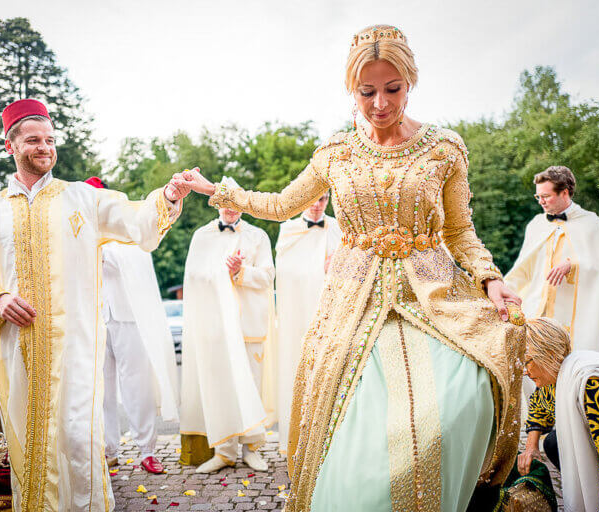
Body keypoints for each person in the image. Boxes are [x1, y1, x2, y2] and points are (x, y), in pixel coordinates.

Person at [171, 24, 526, 512]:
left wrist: (492, 280)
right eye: (367, 91)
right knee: (358, 417)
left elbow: (460, 231)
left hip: (432, 295)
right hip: (353, 302)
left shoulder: (445, 149)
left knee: (462, 393)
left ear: (411, 83)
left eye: (392, 89)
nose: (380, 103)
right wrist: (223, 192)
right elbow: (279, 203)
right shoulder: (336, 152)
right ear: (350, 90)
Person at [0, 99, 187, 511]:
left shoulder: (83, 199)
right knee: (26, 444)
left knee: (80, 441)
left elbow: (137, 221)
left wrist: (168, 195)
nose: (44, 147)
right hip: (17, 353)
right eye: (33, 140)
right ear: (11, 146)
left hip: (75, 354)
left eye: (49, 140)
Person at [84, 176, 179, 475]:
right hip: (95, 319)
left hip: (128, 317)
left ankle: (147, 449)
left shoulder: (127, 229)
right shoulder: (79, 232)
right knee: (100, 391)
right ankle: (108, 449)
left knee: (137, 387)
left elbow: (135, 258)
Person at [180, 198, 276, 474]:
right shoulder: (202, 236)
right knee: (220, 388)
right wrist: (221, 273)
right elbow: (194, 278)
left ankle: (252, 449)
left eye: (235, 202)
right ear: (215, 205)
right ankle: (224, 451)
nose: (230, 207)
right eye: (224, 202)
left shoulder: (258, 236)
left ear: (244, 204)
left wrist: (240, 272)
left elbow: (268, 276)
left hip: (248, 325)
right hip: (215, 327)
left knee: (252, 386)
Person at [505, 166, 599, 357]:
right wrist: (500, 289)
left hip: (578, 322)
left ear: (564, 193)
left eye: (546, 196)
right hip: (537, 317)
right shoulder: (536, 225)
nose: (541, 202)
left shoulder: (594, 226)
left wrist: (573, 265)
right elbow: (523, 269)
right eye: (538, 197)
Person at [519, 317, 599, 512]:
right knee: (553, 443)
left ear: (548, 354)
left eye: (527, 362)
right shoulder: (558, 374)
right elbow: (540, 406)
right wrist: (531, 447)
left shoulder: (592, 385)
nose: (524, 371)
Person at [274, 192, 341, 455]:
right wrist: (320, 266)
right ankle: (293, 445)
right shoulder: (287, 230)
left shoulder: (338, 227)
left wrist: (335, 267)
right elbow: (286, 273)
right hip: (297, 315)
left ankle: (327, 447)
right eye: (313, 199)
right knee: (295, 370)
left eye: (323, 199)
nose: (317, 205)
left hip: (330, 314)